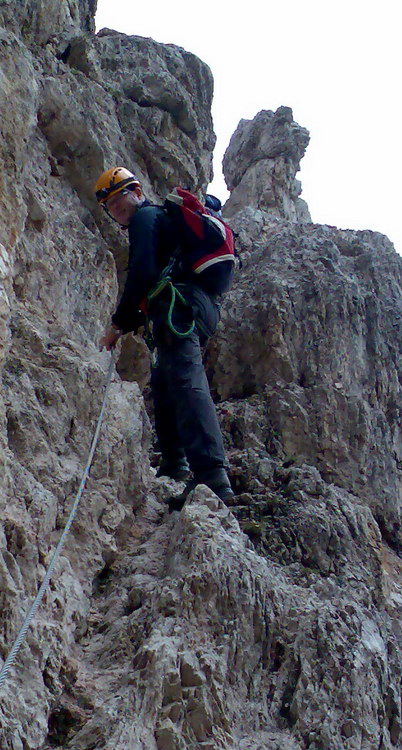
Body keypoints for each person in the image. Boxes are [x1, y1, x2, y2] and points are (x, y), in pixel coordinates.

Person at [94, 166, 233, 502]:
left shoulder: (146, 218)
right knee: (164, 381)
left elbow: (141, 271)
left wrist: (118, 324)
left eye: (120, 197)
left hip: (180, 304)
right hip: (191, 305)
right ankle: (175, 463)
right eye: (110, 205)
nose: (117, 208)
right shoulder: (162, 224)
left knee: (185, 380)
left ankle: (212, 476)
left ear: (137, 192)